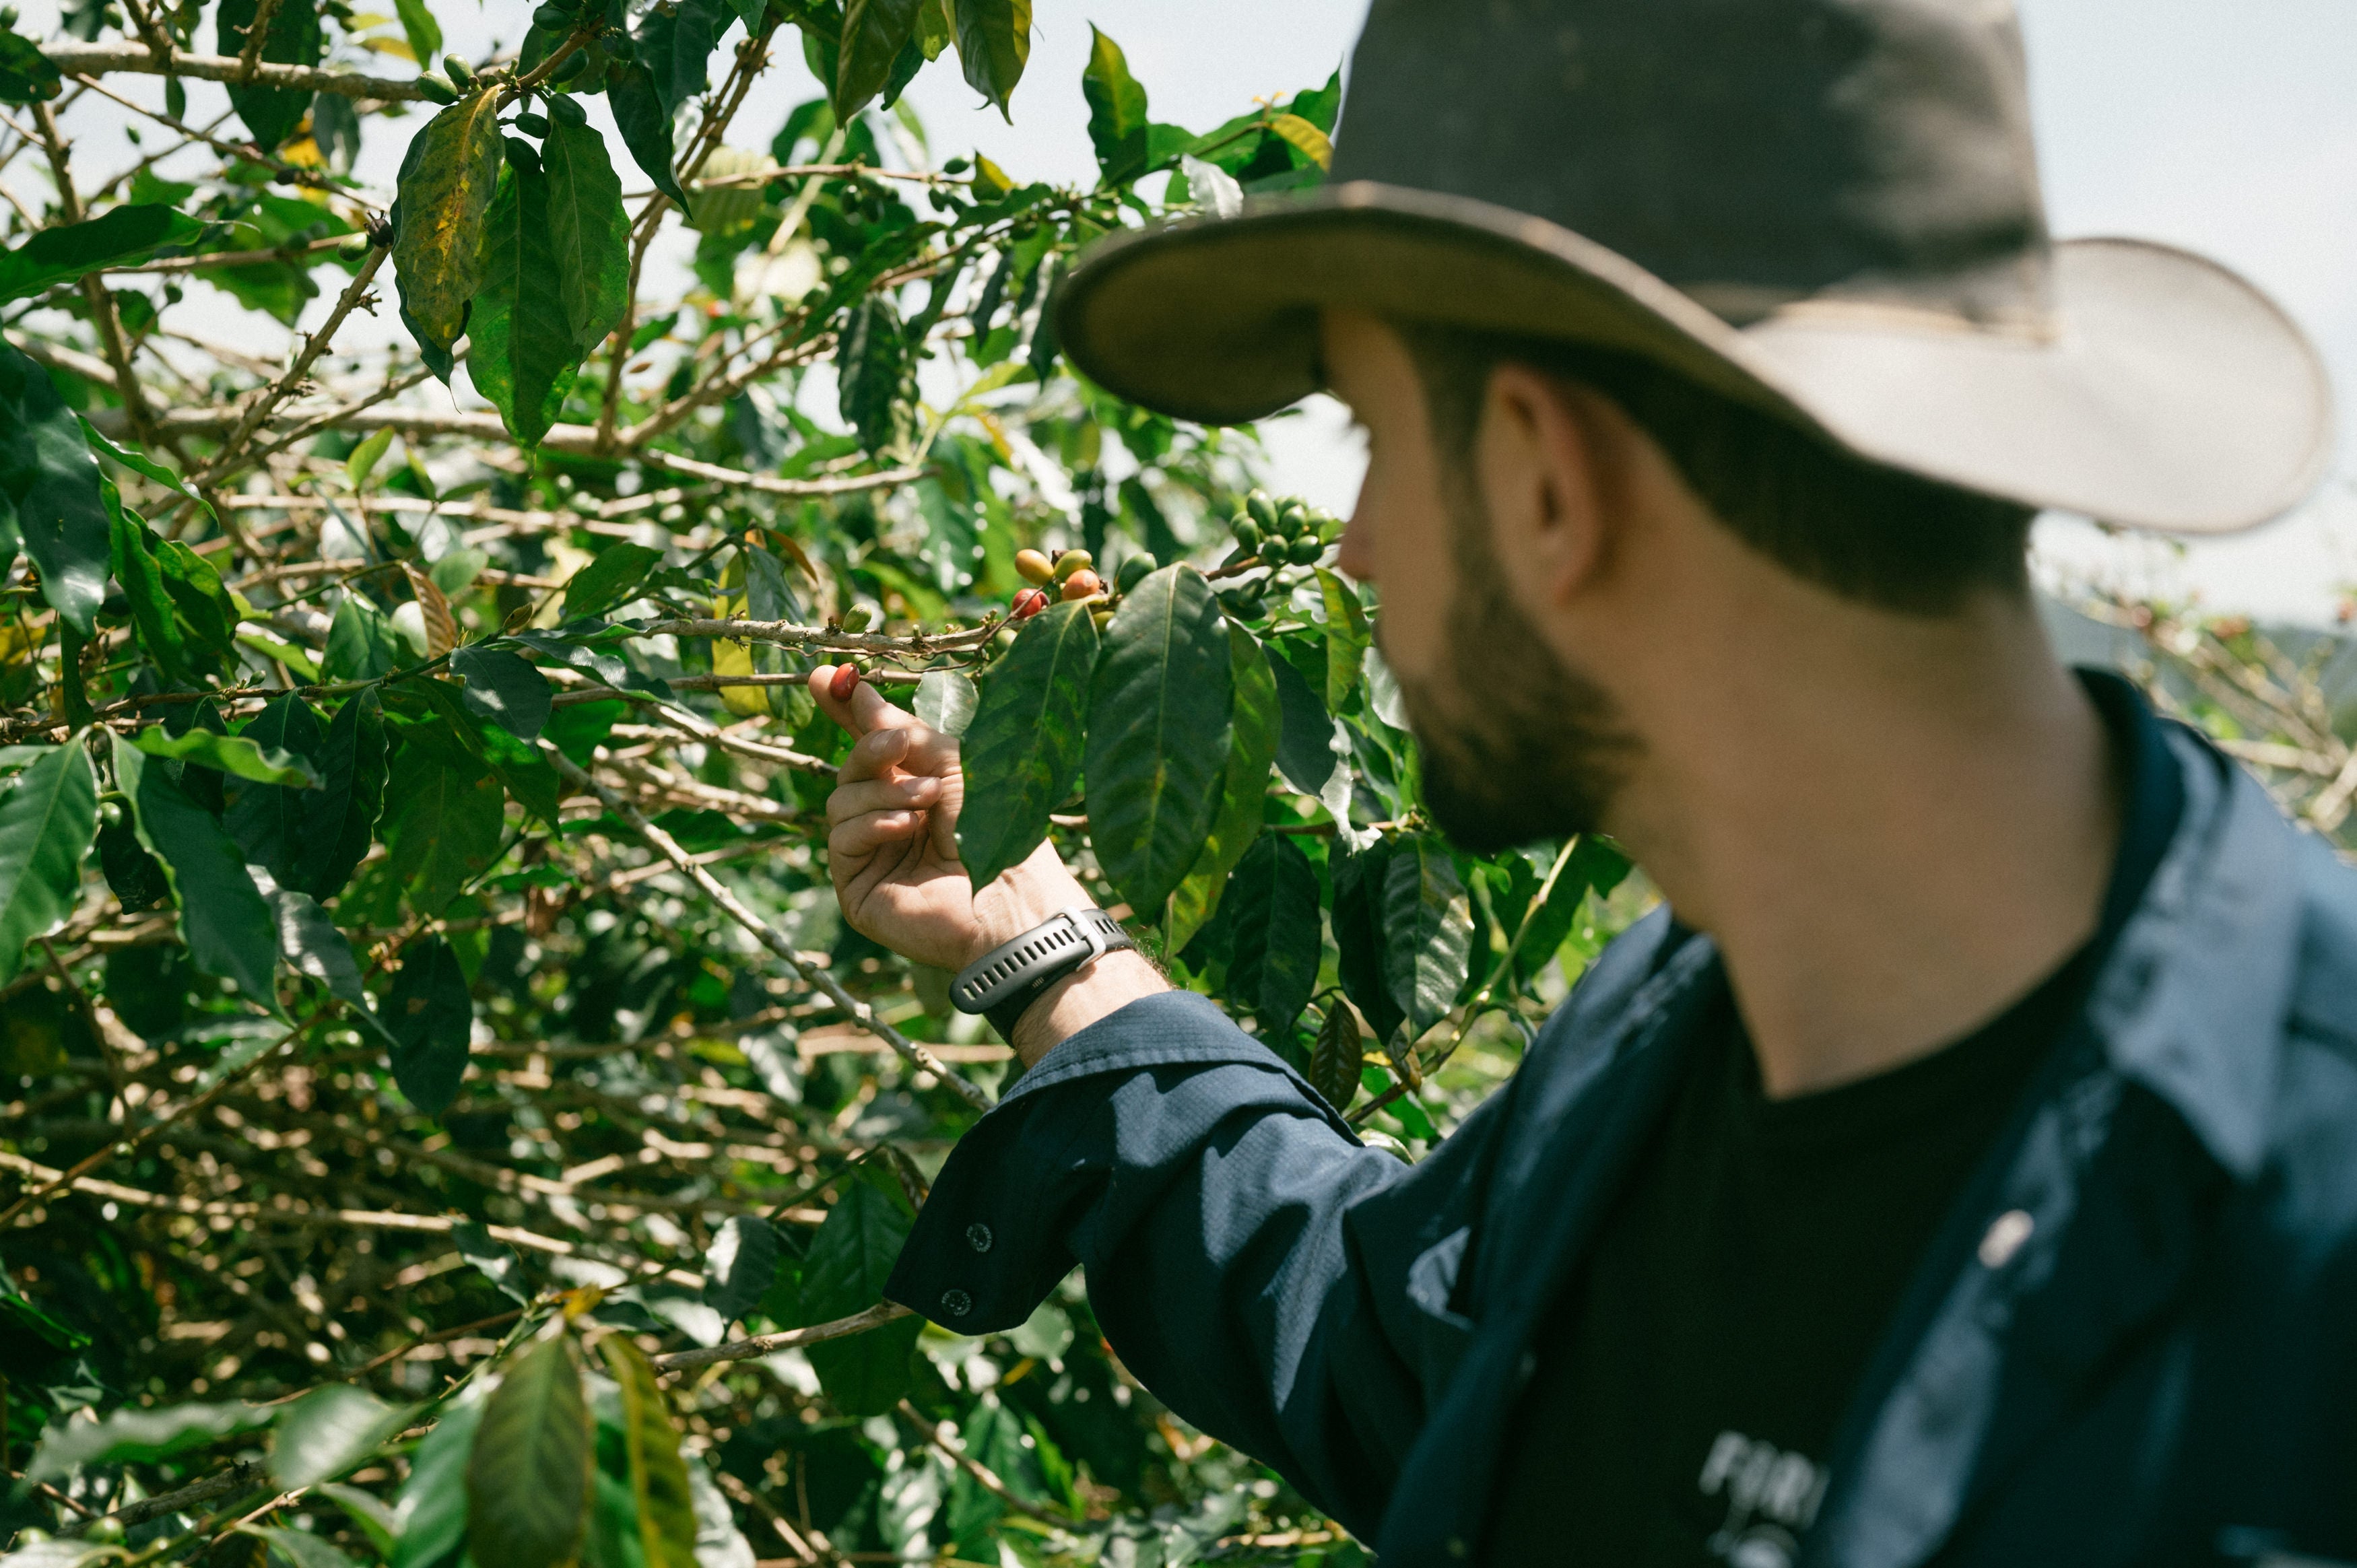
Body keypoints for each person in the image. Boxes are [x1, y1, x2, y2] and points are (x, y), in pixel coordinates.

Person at [807, 1, 2357, 1563]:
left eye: (1374, 442)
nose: (1355, 552)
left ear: (1550, 482)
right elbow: (1401, 1346)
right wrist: (1049, 957)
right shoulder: (1680, 1022)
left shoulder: (2312, 1233)